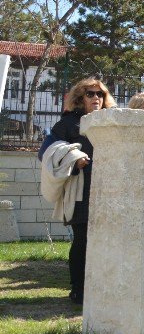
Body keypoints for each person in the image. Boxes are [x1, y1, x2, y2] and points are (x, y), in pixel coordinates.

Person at [38, 78, 116, 304]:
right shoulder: (69, 123)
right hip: (82, 191)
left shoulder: (109, 120)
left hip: (109, 190)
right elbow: (46, 152)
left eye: (100, 94)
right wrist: (73, 161)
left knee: (104, 240)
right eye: (90, 94)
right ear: (80, 98)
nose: (96, 98)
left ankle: (101, 287)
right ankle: (79, 290)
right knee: (82, 240)